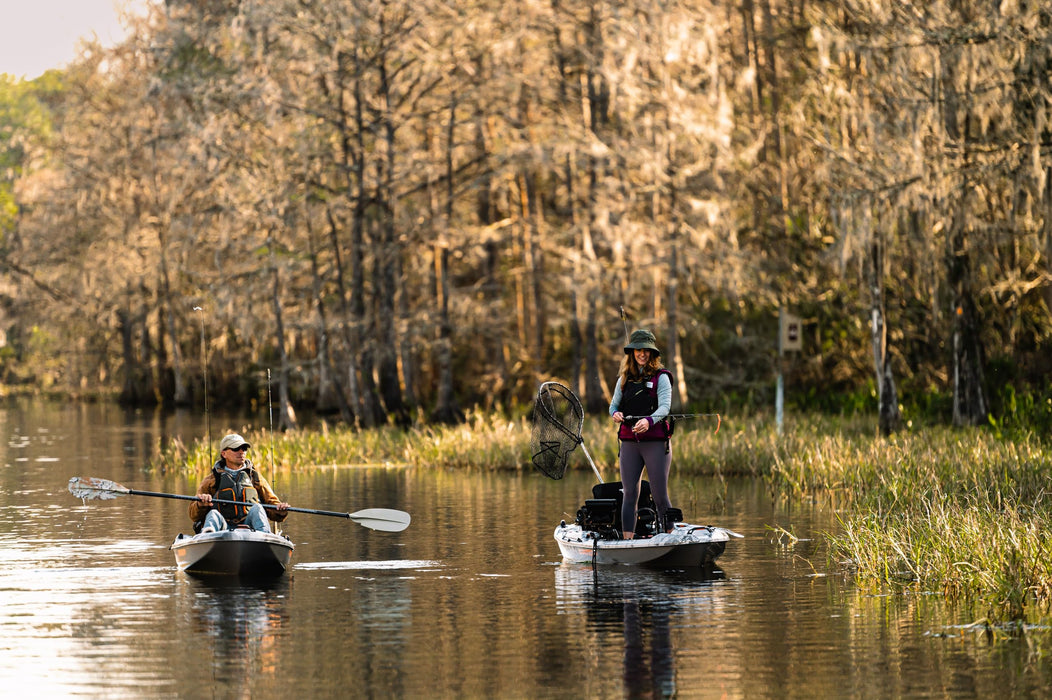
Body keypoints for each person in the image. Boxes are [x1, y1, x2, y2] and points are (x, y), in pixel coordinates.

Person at [609, 329, 675, 539]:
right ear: (632, 352)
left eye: (647, 350)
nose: (642, 354)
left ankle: (670, 535)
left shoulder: (661, 377)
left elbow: (664, 408)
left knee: (659, 495)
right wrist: (616, 414)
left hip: (655, 442)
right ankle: (628, 541)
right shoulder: (624, 378)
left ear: (653, 353)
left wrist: (648, 421)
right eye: (639, 350)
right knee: (629, 494)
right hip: (630, 443)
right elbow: (613, 407)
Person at [189, 433, 290, 533]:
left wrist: (280, 511)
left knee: (258, 508)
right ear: (224, 454)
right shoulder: (211, 480)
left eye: (244, 449)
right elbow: (193, 515)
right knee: (213, 514)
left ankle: (265, 536)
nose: (241, 452)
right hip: (223, 529)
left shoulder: (255, 478)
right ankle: (208, 537)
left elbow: (273, 504)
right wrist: (200, 504)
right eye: (236, 449)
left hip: (251, 529)